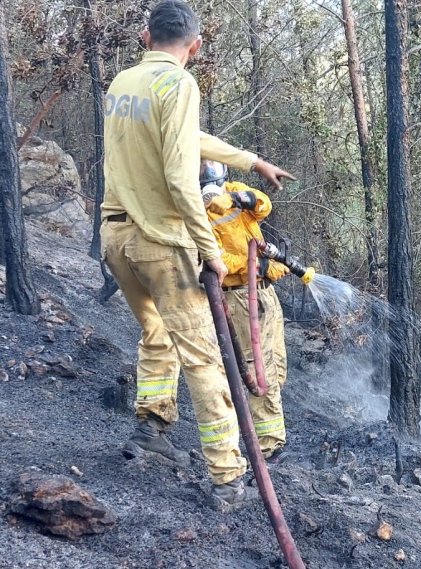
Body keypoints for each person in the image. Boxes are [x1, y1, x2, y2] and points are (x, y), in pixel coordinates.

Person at [100, 0, 293, 510]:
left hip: (114, 239)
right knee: (204, 359)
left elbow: (186, 138)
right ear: (196, 45)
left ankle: (151, 429)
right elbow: (180, 178)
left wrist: (249, 160)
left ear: (146, 37)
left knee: (155, 331)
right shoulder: (180, 85)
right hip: (160, 244)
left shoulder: (123, 84)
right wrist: (208, 249)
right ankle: (227, 477)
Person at [200, 161, 292, 464]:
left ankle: (273, 437)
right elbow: (212, 258)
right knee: (257, 369)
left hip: (266, 295)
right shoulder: (194, 213)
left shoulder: (234, 191)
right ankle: (267, 446)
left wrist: (245, 199)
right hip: (240, 296)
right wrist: (254, 266)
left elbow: (263, 206)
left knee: (276, 364)